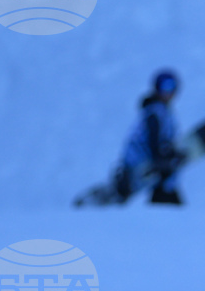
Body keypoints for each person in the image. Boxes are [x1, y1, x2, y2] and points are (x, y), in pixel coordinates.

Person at [73, 70, 186, 207]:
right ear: (156, 88)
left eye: (172, 87)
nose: (169, 92)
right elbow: (153, 139)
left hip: (148, 164)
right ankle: (92, 204)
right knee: (124, 191)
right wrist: (163, 157)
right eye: (165, 86)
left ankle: (162, 211)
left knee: (162, 190)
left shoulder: (163, 112)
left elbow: (164, 140)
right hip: (138, 162)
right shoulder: (155, 112)